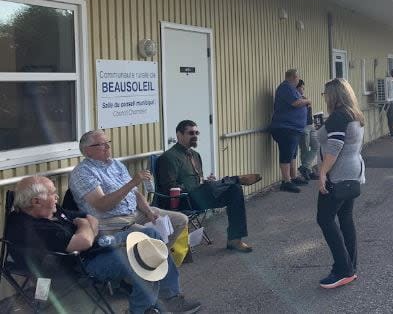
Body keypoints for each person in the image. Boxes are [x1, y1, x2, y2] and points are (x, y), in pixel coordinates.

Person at [8, 176, 201, 314]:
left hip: (98, 245)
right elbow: (83, 238)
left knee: (150, 235)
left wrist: (86, 228)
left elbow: (90, 218)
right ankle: (142, 310)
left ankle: (167, 297)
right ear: (35, 201)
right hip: (83, 263)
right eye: (52, 194)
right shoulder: (32, 227)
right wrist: (85, 228)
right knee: (143, 260)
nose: (57, 197)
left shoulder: (49, 209)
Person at [156, 120, 262, 253]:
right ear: (179, 135)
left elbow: (198, 180)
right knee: (216, 186)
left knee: (235, 190)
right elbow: (169, 187)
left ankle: (234, 240)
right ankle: (235, 179)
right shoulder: (169, 157)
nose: (194, 136)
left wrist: (206, 182)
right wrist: (199, 187)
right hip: (183, 201)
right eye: (190, 133)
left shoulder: (195, 155)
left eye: (196, 133)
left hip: (199, 197)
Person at [69, 130, 188, 247]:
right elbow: (102, 205)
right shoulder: (83, 172)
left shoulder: (115, 164)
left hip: (135, 214)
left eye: (108, 142)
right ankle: (150, 261)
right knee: (151, 235)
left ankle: (157, 259)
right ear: (88, 151)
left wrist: (148, 211)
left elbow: (135, 193)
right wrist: (132, 183)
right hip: (112, 223)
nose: (108, 146)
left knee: (180, 220)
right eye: (102, 144)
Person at [316, 79, 365, 289]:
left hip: (339, 174)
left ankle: (343, 269)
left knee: (325, 219)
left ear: (333, 95)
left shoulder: (338, 116)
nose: (325, 97)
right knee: (345, 218)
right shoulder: (354, 114)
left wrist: (323, 173)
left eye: (326, 94)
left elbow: (334, 147)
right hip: (354, 171)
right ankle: (350, 267)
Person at [270, 68, 311, 193]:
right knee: (286, 154)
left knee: (292, 153)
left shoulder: (292, 89)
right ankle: (286, 181)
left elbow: (298, 101)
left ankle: (293, 177)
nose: (298, 80)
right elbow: (296, 103)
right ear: (294, 77)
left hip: (293, 128)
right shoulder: (286, 87)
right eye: (298, 77)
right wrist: (307, 101)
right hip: (285, 128)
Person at [296, 79, 320, 180]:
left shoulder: (305, 98)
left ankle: (304, 167)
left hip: (311, 125)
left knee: (316, 145)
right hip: (303, 127)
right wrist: (307, 102)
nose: (303, 89)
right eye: (302, 87)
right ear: (296, 88)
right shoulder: (295, 99)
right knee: (304, 149)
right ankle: (308, 171)